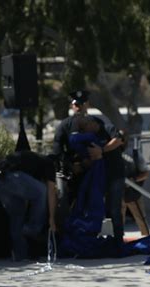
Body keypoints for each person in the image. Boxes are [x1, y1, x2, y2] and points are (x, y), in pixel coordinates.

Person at [52, 90, 126, 248]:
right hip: (81, 174)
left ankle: (119, 242)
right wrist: (72, 166)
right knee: (69, 204)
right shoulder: (65, 126)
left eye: (81, 104)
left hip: (112, 171)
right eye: (75, 104)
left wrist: (102, 151)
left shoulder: (100, 122)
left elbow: (119, 139)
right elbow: (57, 151)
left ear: (87, 105)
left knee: (114, 208)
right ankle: (69, 239)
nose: (78, 107)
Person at [0, 151, 57, 261]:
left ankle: (20, 255)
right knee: (42, 192)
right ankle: (32, 229)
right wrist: (52, 219)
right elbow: (51, 191)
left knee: (17, 215)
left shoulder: (32, 161)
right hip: (10, 176)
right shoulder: (49, 164)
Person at [122, 152, 150, 236]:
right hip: (118, 193)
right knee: (117, 220)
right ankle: (118, 240)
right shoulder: (110, 154)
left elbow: (145, 173)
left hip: (132, 192)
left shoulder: (134, 155)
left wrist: (132, 181)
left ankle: (146, 238)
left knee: (140, 217)